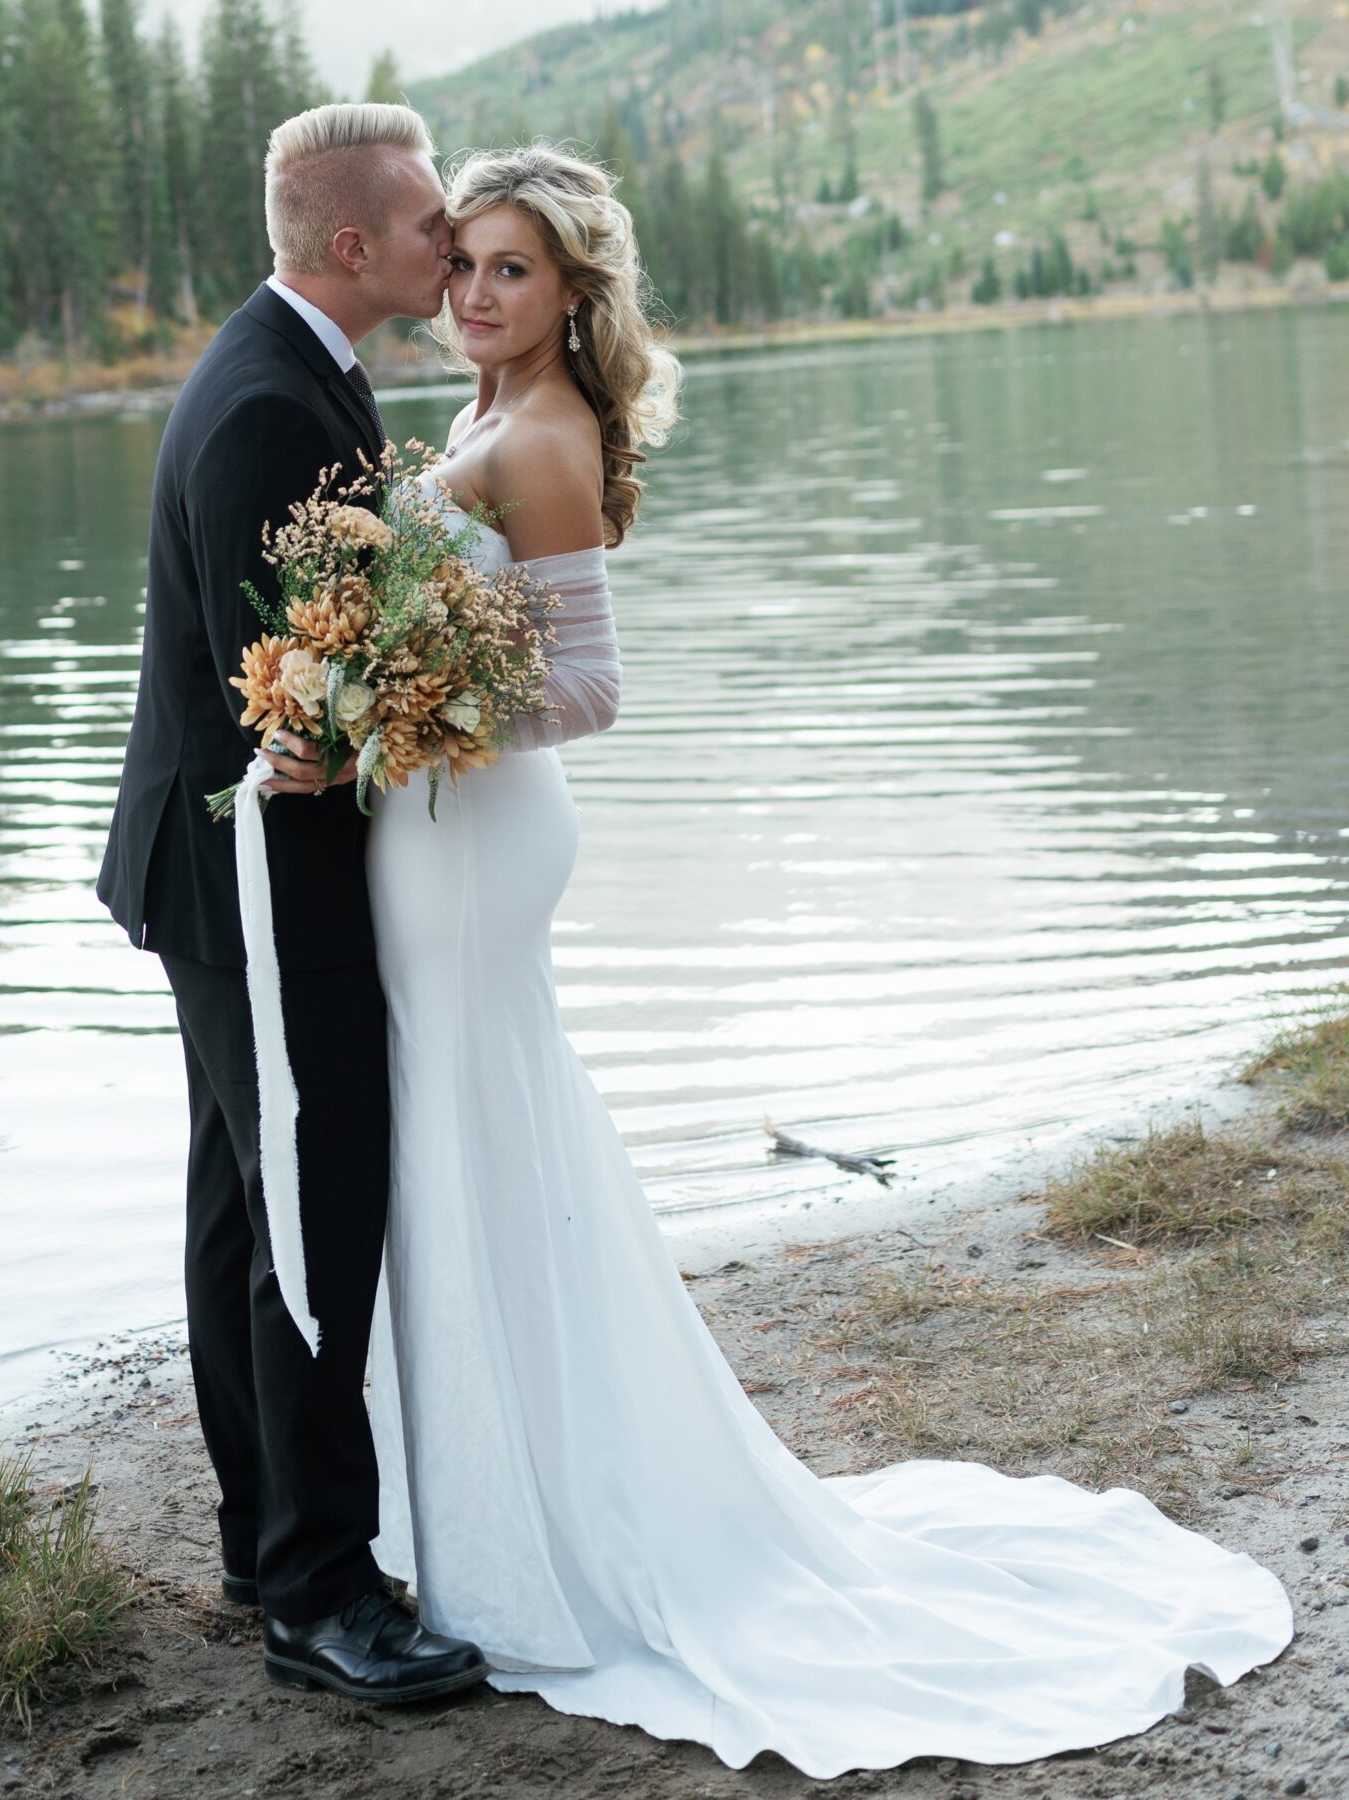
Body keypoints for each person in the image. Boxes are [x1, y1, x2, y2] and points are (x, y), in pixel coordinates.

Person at [363, 141, 1294, 1777]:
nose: (474, 294)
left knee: (478, 1121)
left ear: (574, 290)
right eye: (464, 267)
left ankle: (547, 1525)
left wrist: (411, 702)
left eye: (511, 270)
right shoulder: (484, 418)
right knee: (468, 1132)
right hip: (438, 822)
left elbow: (589, 691)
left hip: (483, 827)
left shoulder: (549, 436)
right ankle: (484, 1496)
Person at [96, 100, 489, 1707]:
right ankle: (320, 1596)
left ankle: (269, 1538)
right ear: (351, 247)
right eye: (425, 230)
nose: (447, 247)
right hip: (258, 877)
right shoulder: (270, 404)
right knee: (312, 1221)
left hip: (211, 872)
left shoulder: (291, 366)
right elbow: (298, 702)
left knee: (240, 1216)